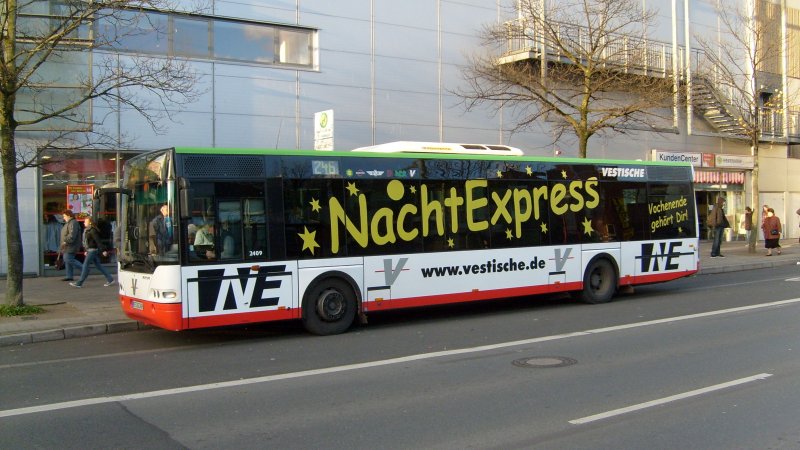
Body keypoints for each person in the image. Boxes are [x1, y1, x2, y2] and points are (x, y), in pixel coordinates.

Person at [70, 217, 114, 288]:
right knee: (98, 266)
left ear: (90, 222)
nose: (84, 223)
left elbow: (98, 241)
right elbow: (86, 242)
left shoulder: (92, 230)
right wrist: (85, 250)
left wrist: (103, 250)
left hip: (93, 250)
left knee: (85, 265)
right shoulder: (87, 230)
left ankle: (79, 282)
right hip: (90, 250)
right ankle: (110, 279)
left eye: (85, 221)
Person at [59, 209, 84, 281]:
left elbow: (72, 235)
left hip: (71, 245)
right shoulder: (68, 223)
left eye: (64, 216)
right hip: (67, 245)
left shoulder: (73, 223)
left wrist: (66, 241)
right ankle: (69, 276)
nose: (63, 218)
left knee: (68, 259)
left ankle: (84, 269)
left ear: (68, 215)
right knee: (67, 261)